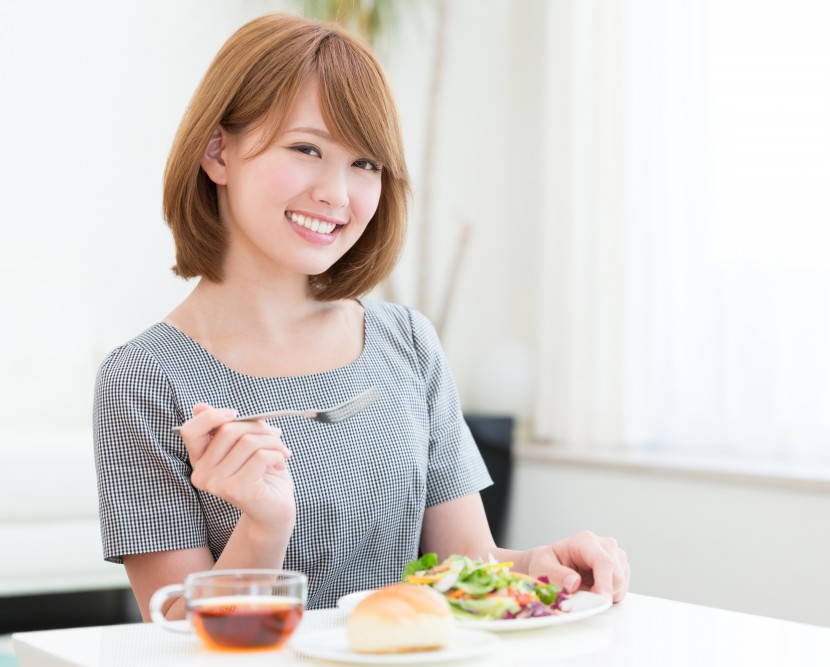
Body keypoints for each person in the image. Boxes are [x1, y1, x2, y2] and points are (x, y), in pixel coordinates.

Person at [93, 13, 629, 622]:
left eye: (365, 164)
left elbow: (464, 565)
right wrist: (264, 526)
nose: (337, 194)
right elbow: (183, 642)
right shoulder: (142, 379)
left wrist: (541, 565)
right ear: (219, 152)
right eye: (305, 148)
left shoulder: (407, 343)